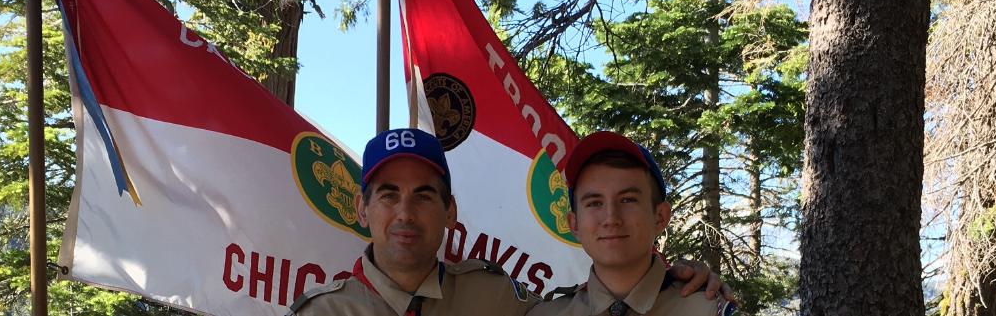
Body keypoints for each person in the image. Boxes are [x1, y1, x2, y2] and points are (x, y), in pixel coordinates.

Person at [288, 128, 726, 316]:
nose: (405, 213)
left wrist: (686, 282)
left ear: (451, 212)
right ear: (362, 210)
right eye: (388, 195)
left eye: (424, 195)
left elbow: (618, 284)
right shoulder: (322, 311)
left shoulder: (499, 298)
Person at [529, 131, 735, 316]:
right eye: (594, 203)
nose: (611, 218)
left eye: (627, 200)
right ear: (574, 224)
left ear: (660, 216)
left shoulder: (708, 310)